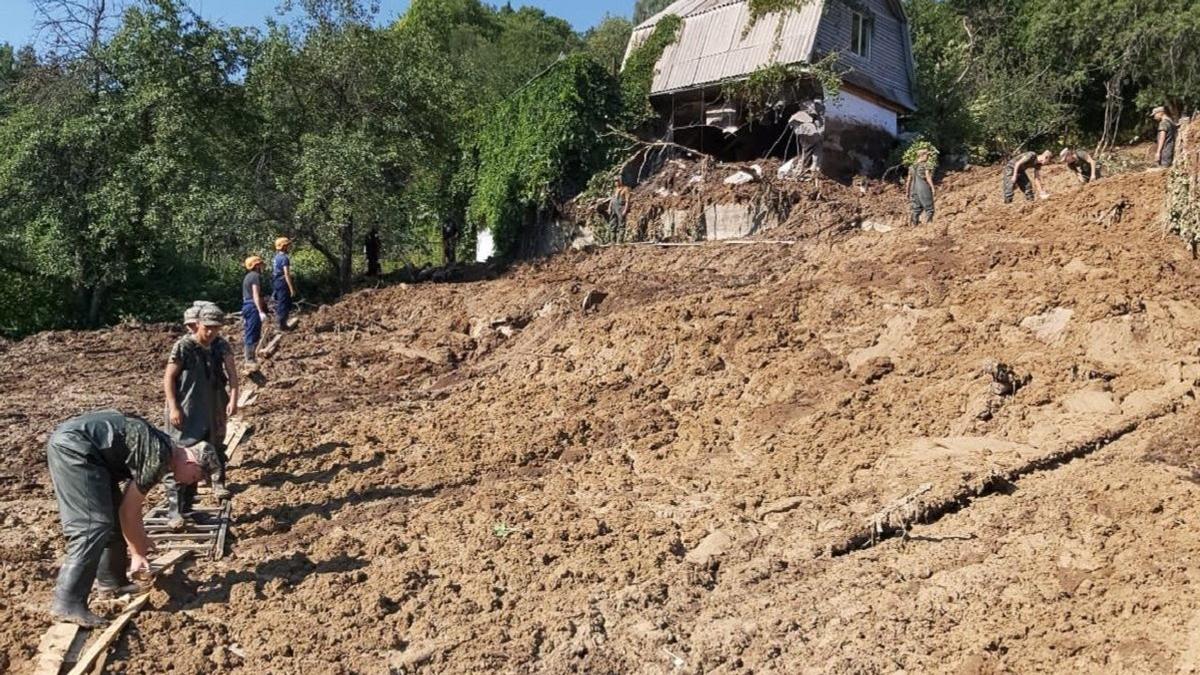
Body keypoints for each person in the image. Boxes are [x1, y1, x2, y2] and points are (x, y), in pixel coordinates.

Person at [46, 409, 217, 626]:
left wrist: (141, 539)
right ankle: (67, 602)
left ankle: (111, 581)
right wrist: (137, 554)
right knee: (92, 526)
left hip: (90, 452)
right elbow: (130, 510)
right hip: (76, 449)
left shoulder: (163, 447)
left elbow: (125, 508)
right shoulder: (160, 458)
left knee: (110, 519)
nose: (188, 483)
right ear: (192, 463)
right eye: (195, 478)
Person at [162, 301, 237, 529]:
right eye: (207, 327)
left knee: (204, 456)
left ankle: (188, 509)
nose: (211, 332)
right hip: (186, 409)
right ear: (198, 325)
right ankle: (174, 512)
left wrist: (233, 397)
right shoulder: (184, 346)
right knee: (179, 457)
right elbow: (169, 378)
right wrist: (174, 406)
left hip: (209, 407)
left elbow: (232, 373)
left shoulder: (219, 345)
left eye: (216, 327)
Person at [242, 256, 269, 367]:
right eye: (260, 264)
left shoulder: (248, 276)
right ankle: (249, 359)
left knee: (252, 331)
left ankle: (251, 356)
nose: (262, 266)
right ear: (256, 265)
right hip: (252, 306)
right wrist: (260, 311)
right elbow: (255, 294)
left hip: (248, 305)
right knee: (252, 333)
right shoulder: (255, 276)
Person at [788, 97, 826, 172]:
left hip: (812, 135)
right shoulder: (803, 115)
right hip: (809, 135)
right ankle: (803, 167)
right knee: (808, 150)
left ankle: (812, 167)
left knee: (813, 149)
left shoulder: (818, 117)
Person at [906, 147, 936, 224]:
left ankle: (914, 224)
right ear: (922, 155)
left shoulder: (911, 167)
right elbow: (928, 177)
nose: (928, 157)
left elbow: (908, 181)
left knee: (916, 208)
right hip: (923, 187)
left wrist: (907, 192)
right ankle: (929, 224)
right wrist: (932, 188)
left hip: (914, 189)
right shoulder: (925, 165)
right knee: (929, 208)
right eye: (927, 155)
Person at [272, 237, 296, 331]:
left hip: (276, 281)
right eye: (287, 246)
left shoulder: (276, 257)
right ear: (284, 246)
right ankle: (282, 325)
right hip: (282, 282)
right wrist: (291, 288)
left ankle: (282, 324)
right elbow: (286, 274)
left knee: (280, 302)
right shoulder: (284, 258)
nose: (289, 247)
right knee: (284, 303)